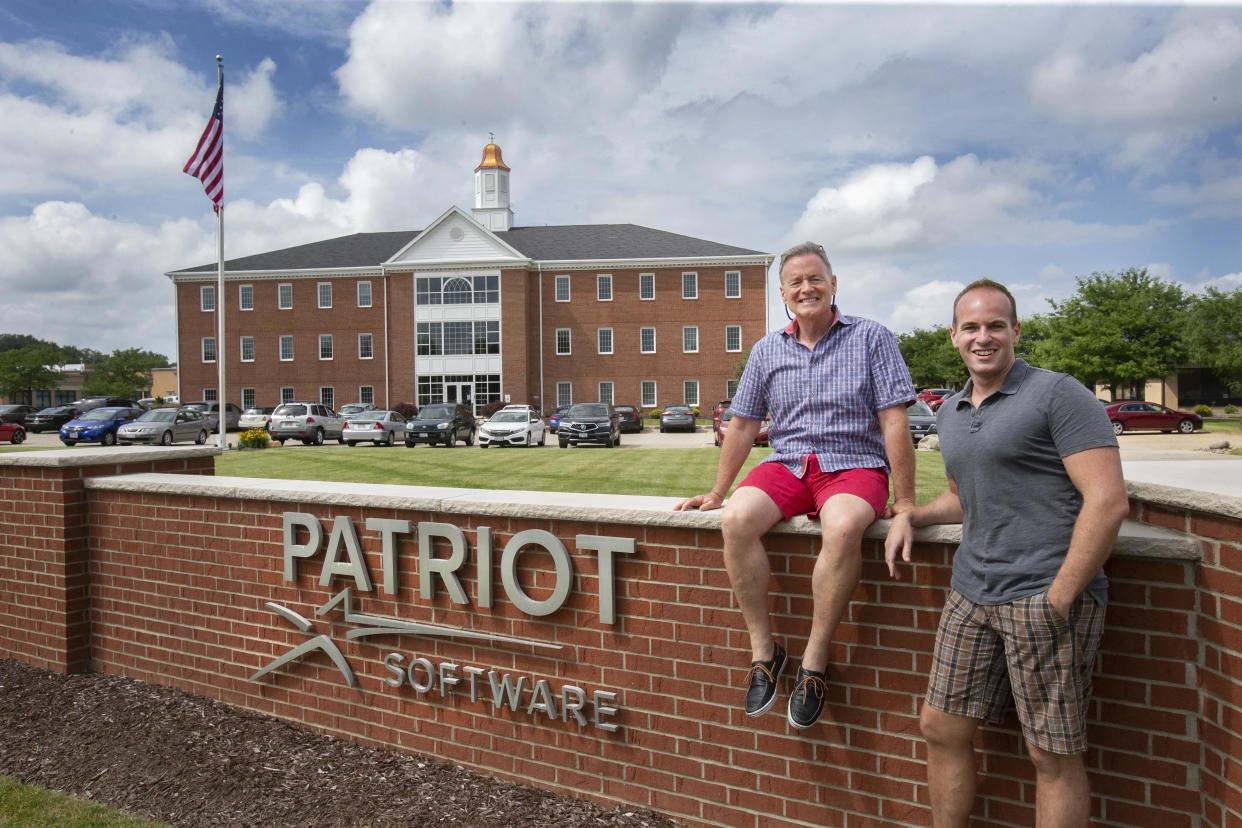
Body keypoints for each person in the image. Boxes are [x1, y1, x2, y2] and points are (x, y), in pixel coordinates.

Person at [884, 279, 1129, 826]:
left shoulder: (1058, 394)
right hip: (971, 591)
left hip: (1044, 594)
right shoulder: (948, 411)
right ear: (953, 337)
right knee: (940, 727)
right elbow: (963, 498)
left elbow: (1108, 502)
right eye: (971, 327)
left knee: (1051, 754)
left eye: (996, 325)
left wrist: (1061, 596)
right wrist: (912, 515)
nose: (983, 337)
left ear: (1016, 331)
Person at [675, 241, 916, 730]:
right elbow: (742, 425)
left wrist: (905, 501)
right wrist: (719, 493)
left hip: (854, 465)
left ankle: (815, 662)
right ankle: (765, 652)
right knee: (737, 518)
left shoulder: (872, 338)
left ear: (833, 284)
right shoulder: (767, 349)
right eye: (796, 282)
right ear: (783, 293)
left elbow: (894, 421)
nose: (806, 288)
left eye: (815, 278)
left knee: (845, 526)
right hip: (788, 464)